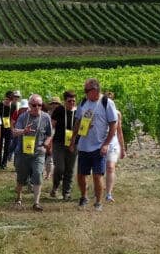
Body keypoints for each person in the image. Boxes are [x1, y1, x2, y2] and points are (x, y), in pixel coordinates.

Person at [69, 78, 117, 212]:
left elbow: (113, 125)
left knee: (97, 175)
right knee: (81, 175)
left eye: (86, 90)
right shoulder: (84, 102)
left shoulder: (106, 103)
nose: (84, 93)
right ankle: (84, 197)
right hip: (84, 146)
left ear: (95, 90)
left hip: (99, 146)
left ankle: (98, 202)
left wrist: (106, 144)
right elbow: (78, 122)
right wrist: (73, 140)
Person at [12, 95, 53, 211]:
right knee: (21, 176)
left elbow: (50, 134)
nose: (37, 107)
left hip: (38, 152)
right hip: (23, 152)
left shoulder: (46, 117)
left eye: (39, 105)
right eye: (34, 105)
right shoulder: (23, 117)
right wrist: (24, 131)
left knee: (38, 174)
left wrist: (46, 143)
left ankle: (36, 203)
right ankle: (19, 197)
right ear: (29, 105)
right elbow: (14, 132)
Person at [50, 91, 78, 200]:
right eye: (69, 101)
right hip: (59, 143)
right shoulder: (59, 110)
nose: (71, 103)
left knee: (69, 169)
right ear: (64, 101)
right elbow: (52, 125)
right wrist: (48, 139)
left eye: (74, 101)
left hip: (74, 143)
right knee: (60, 168)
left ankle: (66, 193)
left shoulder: (78, 112)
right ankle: (55, 186)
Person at [105, 102, 126, 202]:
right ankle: (98, 189)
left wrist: (123, 148)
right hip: (99, 144)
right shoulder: (97, 111)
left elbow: (119, 131)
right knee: (99, 170)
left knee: (110, 167)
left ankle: (108, 194)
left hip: (113, 144)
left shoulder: (117, 113)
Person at [0, 91, 16, 169]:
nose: (8, 101)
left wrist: (12, 127)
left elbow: (14, 117)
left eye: (10, 99)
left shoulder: (13, 106)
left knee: (7, 146)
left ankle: (4, 162)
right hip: (0, 127)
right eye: (7, 99)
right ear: (5, 98)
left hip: (9, 128)